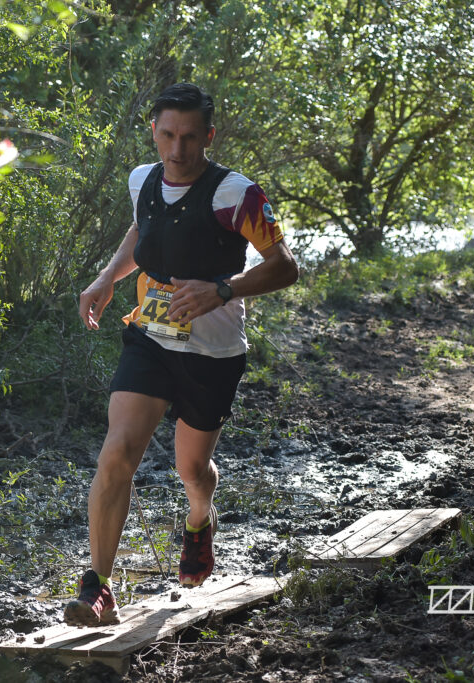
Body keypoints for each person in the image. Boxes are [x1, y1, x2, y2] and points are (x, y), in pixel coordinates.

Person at [64, 83, 299, 626]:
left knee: (191, 468)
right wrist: (105, 279)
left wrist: (224, 288)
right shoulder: (142, 180)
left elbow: (285, 266)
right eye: (167, 135)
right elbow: (140, 231)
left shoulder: (236, 195)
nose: (177, 149)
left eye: (190, 137)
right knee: (118, 450)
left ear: (208, 136)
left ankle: (199, 519)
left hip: (212, 354)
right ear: (154, 131)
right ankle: (98, 587)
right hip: (149, 339)